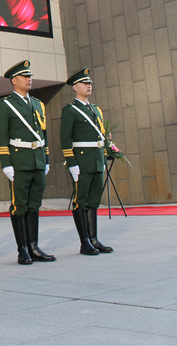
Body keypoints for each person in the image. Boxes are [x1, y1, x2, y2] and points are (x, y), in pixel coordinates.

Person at [0, 60, 55, 265]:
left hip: (37, 159)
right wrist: (6, 163)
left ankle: (34, 246)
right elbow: (2, 135)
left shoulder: (37, 104)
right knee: (20, 205)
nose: (29, 79)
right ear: (14, 80)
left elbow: (43, 134)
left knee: (34, 204)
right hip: (19, 161)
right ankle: (23, 249)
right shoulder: (6, 104)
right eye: (25, 76)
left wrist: (46, 158)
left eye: (30, 76)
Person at [61, 68, 113, 255]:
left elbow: (101, 137)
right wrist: (71, 163)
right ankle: (85, 242)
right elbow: (65, 138)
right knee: (81, 201)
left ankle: (94, 239)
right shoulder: (70, 110)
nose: (88, 86)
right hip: (82, 161)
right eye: (84, 83)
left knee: (93, 201)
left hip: (96, 160)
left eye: (89, 83)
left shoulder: (95, 109)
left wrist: (103, 158)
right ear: (75, 87)